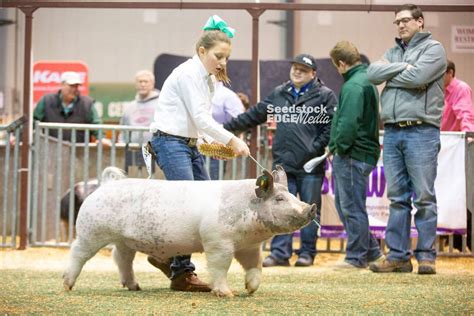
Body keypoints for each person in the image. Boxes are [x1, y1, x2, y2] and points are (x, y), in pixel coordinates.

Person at [147, 15, 249, 292]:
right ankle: (180, 270)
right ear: (202, 51)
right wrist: (232, 140)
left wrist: (207, 145)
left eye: (226, 58)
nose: (223, 62)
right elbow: (201, 118)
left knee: (203, 205)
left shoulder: (208, 78)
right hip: (170, 142)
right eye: (219, 56)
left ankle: (165, 256)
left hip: (187, 143)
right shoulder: (189, 74)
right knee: (189, 207)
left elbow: (197, 121)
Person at [224, 53, 337, 267]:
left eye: (303, 69)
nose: (297, 71)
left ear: (313, 74)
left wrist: (314, 148)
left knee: (309, 209)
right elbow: (256, 114)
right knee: (279, 207)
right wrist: (225, 131)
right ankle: (280, 252)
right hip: (283, 163)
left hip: (309, 165)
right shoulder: (280, 93)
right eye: (295, 67)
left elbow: (331, 127)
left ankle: (307, 253)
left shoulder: (325, 96)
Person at [367, 3, 447, 274]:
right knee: (398, 197)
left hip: (422, 131)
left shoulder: (434, 49)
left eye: (405, 20)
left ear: (420, 22)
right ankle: (399, 256)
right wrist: (405, 68)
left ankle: (426, 256)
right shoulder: (392, 51)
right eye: (397, 22)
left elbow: (419, 77)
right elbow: (372, 73)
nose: (400, 25)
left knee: (424, 196)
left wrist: (395, 72)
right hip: (392, 132)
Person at [328, 41, 383, 269]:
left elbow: (348, 123)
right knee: (346, 204)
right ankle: (371, 251)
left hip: (352, 153)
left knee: (351, 207)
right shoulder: (366, 80)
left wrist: (338, 146)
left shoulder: (352, 86)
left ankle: (356, 256)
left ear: (341, 63)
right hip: (361, 152)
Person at [441, 59, 474, 251]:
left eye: (441, 73)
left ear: (450, 73)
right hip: (443, 150)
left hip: (456, 151)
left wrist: (468, 135)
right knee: (446, 195)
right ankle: (452, 240)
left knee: (460, 195)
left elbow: (465, 114)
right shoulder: (437, 90)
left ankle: (465, 241)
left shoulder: (460, 89)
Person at [33, 71, 103, 143]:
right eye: (71, 86)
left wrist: (101, 139)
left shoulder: (87, 103)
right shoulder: (47, 101)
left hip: (78, 152)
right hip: (51, 151)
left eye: (76, 86)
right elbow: (33, 122)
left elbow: (96, 124)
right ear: (62, 85)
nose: (74, 89)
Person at [119, 70, 160, 172]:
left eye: (146, 82)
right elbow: (123, 132)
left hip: (157, 153)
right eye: (140, 81)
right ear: (135, 84)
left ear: (152, 84)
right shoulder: (129, 107)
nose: (143, 84)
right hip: (133, 153)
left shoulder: (162, 103)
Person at [209, 82, 245, 180]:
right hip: (198, 145)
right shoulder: (199, 91)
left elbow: (239, 122)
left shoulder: (228, 96)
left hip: (217, 148)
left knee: (212, 183)